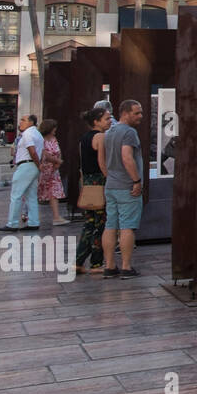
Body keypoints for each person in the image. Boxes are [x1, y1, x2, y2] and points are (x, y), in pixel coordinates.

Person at [102, 100, 145, 279]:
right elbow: (127, 157)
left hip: (111, 184)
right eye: (137, 113)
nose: (140, 116)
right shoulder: (129, 132)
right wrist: (136, 180)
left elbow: (102, 160)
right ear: (125, 113)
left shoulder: (109, 131)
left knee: (110, 225)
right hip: (126, 186)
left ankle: (110, 266)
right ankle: (126, 266)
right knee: (128, 226)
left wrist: (109, 176)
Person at [75, 107, 111, 274]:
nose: (110, 121)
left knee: (89, 224)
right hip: (99, 182)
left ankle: (78, 261)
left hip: (88, 183)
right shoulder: (100, 137)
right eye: (106, 118)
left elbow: (82, 163)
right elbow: (102, 163)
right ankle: (96, 263)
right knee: (100, 223)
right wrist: (110, 179)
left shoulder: (83, 138)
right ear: (96, 121)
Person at [2, 116, 43, 232]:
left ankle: (12, 223)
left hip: (26, 165)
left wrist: (38, 164)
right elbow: (41, 151)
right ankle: (34, 222)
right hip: (33, 166)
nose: (20, 122)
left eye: (23, 120)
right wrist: (39, 165)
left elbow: (32, 150)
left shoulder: (27, 134)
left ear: (31, 122)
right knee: (31, 196)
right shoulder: (38, 134)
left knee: (16, 195)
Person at [36, 119, 67, 226]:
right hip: (44, 169)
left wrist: (58, 162)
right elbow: (44, 154)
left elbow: (58, 151)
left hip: (54, 170)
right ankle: (28, 215)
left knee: (54, 193)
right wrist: (57, 161)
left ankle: (56, 216)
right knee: (37, 191)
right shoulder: (41, 140)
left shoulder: (53, 139)